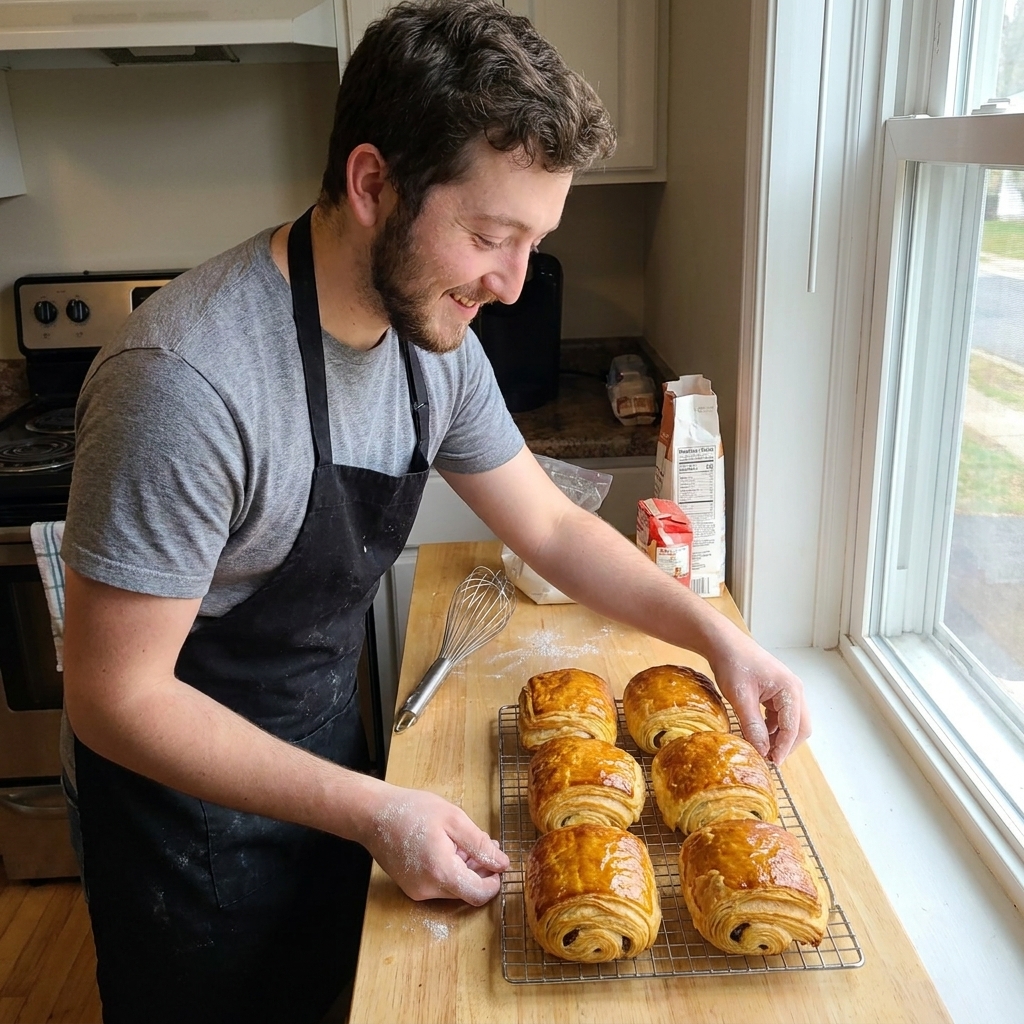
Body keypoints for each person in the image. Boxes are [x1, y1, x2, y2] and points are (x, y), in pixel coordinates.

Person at [60, 1, 810, 1021]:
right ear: (372, 183)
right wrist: (372, 808)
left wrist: (721, 640)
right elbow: (115, 697)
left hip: (330, 771)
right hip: (188, 839)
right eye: (490, 237)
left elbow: (546, 526)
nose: (509, 285)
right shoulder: (186, 378)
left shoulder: (432, 340)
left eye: (531, 242)